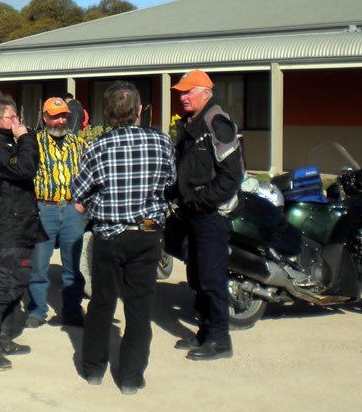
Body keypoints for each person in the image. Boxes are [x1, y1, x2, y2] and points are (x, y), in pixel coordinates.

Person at [70, 83, 175, 394]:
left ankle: (93, 370)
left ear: (106, 114)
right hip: (145, 230)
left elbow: (79, 191)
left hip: (109, 232)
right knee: (139, 308)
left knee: (102, 304)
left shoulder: (97, 147)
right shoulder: (161, 142)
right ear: (139, 111)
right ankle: (130, 377)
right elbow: (171, 180)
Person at [169, 69, 245, 361]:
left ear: (206, 93)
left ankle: (220, 340)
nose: (183, 97)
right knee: (198, 276)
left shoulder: (217, 122)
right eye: (181, 92)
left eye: (189, 92)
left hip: (210, 214)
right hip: (192, 213)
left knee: (212, 277)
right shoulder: (190, 124)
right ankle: (204, 333)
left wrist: (203, 202)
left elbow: (231, 174)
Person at [0, 95, 46, 369]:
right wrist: (26, 139)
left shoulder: (6, 144)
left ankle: (4, 338)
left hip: (21, 222)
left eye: (17, 117)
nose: (17, 122)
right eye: (12, 118)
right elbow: (25, 168)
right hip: (8, 225)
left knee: (17, 281)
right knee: (2, 283)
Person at [27, 97, 89, 328]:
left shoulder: (79, 144)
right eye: (54, 116)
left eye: (63, 115)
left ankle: (73, 311)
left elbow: (89, 174)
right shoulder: (33, 143)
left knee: (72, 266)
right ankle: (37, 310)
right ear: (45, 118)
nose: (60, 120)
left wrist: (83, 203)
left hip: (73, 210)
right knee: (39, 266)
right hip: (45, 210)